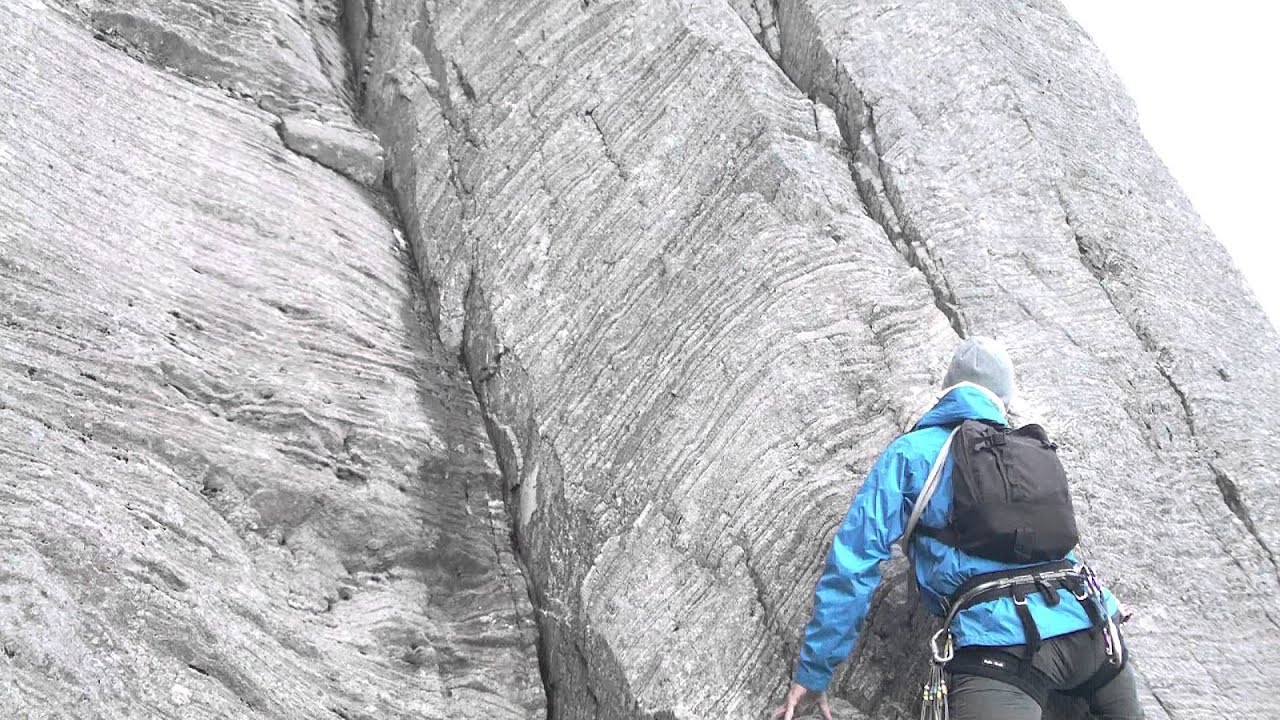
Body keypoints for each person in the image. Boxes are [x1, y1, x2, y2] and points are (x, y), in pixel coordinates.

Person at [772, 337, 1143, 720]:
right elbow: (1052, 545)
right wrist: (1108, 604)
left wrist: (815, 671)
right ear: (1005, 399)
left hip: (1001, 652)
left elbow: (855, 562)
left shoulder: (912, 454)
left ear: (946, 389)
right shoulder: (1028, 451)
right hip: (1095, 635)